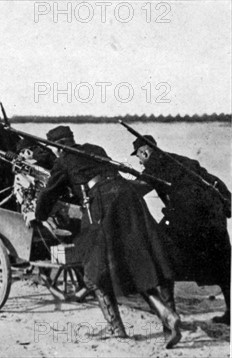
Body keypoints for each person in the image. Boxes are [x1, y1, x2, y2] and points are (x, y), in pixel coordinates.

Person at [34, 126, 182, 349]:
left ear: (56, 149)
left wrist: (39, 216)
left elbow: (49, 193)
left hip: (103, 206)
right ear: (72, 139)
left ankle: (116, 328)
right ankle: (168, 315)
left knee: (95, 270)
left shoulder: (62, 161)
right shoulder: (95, 149)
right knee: (134, 261)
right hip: (129, 197)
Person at [131, 135, 231, 325]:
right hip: (213, 215)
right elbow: (212, 179)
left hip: (190, 218)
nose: (140, 162)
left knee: (162, 255)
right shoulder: (179, 159)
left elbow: (138, 189)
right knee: (222, 265)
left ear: (145, 151)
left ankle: (170, 314)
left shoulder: (153, 167)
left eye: (139, 157)